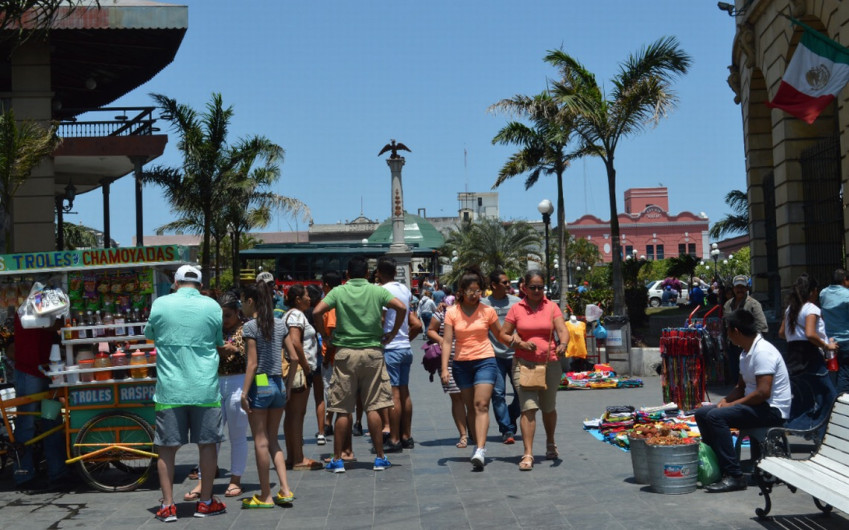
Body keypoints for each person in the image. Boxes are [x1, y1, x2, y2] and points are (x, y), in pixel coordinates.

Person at [145, 265, 226, 521]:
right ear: (200, 285)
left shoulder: (160, 304)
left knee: (166, 449)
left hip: (170, 389)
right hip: (205, 389)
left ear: (176, 283)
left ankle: (168, 506)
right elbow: (218, 341)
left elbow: (150, 334)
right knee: (207, 445)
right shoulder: (212, 306)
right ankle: (206, 502)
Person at [312, 255, 407, 473]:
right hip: (372, 352)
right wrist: (391, 333)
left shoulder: (339, 291)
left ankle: (337, 459)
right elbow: (401, 307)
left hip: (345, 353)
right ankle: (380, 457)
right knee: (373, 405)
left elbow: (317, 312)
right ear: (367, 274)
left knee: (342, 409)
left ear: (347, 274)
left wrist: (325, 336)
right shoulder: (377, 290)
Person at [695, 308, 791, 493]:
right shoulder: (745, 353)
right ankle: (719, 467)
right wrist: (724, 401)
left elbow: (763, 392)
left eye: (728, 332)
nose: (728, 336)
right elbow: (741, 387)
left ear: (736, 331)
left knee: (716, 417)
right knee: (703, 413)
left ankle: (735, 476)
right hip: (756, 405)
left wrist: (731, 406)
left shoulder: (762, 352)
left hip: (771, 410)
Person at [441, 266, 508, 470]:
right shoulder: (452, 312)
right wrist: (445, 368)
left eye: (478, 291)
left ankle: (480, 449)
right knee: (471, 407)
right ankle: (475, 441)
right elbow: (447, 341)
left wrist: (518, 343)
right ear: (461, 291)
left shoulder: (487, 311)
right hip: (461, 364)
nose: (474, 295)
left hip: (485, 360)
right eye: (470, 291)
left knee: (481, 404)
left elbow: (500, 334)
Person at [502, 271, 568, 471]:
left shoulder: (552, 307)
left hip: (550, 364)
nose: (537, 291)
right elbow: (503, 334)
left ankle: (550, 442)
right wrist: (520, 343)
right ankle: (528, 453)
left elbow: (562, 329)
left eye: (541, 287)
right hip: (524, 364)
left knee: (548, 407)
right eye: (533, 287)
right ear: (524, 288)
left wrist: (563, 343)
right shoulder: (516, 308)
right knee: (528, 407)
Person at [185, 291, 248, 501]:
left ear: (237, 312)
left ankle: (235, 479)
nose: (223, 321)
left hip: (239, 381)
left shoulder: (246, 328)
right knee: (210, 436)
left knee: (237, 435)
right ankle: (204, 482)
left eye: (228, 315)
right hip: (214, 382)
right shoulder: (214, 329)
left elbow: (255, 356)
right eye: (220, 316)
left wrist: (235, 350)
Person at [239, 280, 296, 508]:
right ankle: (285, 488)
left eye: (242, 301)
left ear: (251, 301)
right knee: (274, 440)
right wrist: (288, 386)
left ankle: (265, 495)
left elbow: (252, 364)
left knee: (260, 442)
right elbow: (293, 357)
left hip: (261, 382)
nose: (241, 305)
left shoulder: (250, 327)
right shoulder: (280, 324)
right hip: (278, 383)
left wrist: (244, 393)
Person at [7, 310, 71, 491]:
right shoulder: (27, 307)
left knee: (51, 422)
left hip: (49, 369)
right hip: (29, 373)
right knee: (25, 423)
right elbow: (48, 324)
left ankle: (58, 472)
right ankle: (24, 474)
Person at [778, 274, 838, 436]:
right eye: (816, 290)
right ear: (811, 291)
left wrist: (796, 333)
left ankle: (792, 427)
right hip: (810, 358)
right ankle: (812, 431)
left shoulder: (791, 309)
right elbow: (811, 334)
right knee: (828, 397)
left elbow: (782, 333)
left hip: (793, 358)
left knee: (802, 398)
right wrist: (827, 345)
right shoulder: (811, 309)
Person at [376, 257, 423, 452]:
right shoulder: (404, 290)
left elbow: (383, 318)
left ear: (379, 272)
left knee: (392, 394)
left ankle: (394, 438)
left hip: (391, 347)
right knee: (404, 392)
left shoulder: (382, 291)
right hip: (405, 348)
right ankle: (407, 435)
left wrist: (386, 336)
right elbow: (415, 323)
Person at [279, 284, 323, 471]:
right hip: (299, 371)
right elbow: (296, 343)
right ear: (297, 299)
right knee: (297, 414)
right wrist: (306, 367)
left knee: (291, 415)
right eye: (306, 296)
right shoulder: (296, 315)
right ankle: (298, 457)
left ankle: (292, 455)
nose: (309, 299)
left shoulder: (288, 315)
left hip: (293, 370)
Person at [480, 268, 521, 445]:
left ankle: (511, 415)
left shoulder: (516, 302)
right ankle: (507, 429)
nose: (508, 285)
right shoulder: (483, 304)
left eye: (508, 282)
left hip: (516, 355)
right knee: (498, 394)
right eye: (504, 282)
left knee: (522, 392)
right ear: (494, 285)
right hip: (493, 355)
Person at [427, 297, 469, 448]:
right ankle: (463, 434)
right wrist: (442, 340)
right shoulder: (443, 312)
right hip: (449, 360)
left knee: (471, 398)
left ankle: (474, 429)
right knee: (457, 397)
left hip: (471, 358)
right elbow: (430, 330)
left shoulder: (477, 310)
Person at [723, 275, 768, 383]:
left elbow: (762, 326)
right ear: (733, 289)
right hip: (732, 347)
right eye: (737, 287)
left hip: (748, 348)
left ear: (747, 288)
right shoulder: (728, 305)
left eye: (742, 287)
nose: (740, 290)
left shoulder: (754, 304)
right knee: (736, 377)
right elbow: (725, 326)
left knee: (748, 379)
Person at [818, 268, 849, 393]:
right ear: (844, 280)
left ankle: (832, 396)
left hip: (829, 341)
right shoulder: (847, 295)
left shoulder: (823, 293)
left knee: (832, 370)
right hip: (846, 339)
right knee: (845, 372)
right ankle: (841, 398)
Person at [305, 283, 327, 446]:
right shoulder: (319, 313)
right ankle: (321, 432)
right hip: (317, 355)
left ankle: (297, 432)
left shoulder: (299, 314)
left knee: (300, 400)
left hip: (302, 359)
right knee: (320, 397)